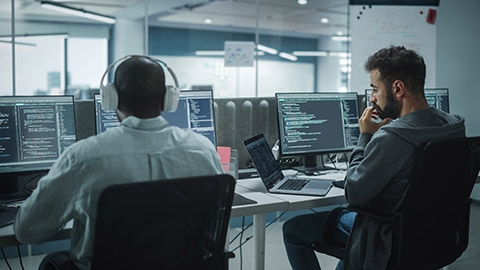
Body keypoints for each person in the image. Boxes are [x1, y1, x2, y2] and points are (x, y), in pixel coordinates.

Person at [14, 56, 223, 270]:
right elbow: (211, 217)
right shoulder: (203, 150)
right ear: (168, 99)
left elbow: (27, 231)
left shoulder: (83, 157)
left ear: (111, 98)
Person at [283, 46, 465, 270]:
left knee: (293, 229)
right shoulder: (453, 125)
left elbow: (354, 194)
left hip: (387, 235)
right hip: (435, 233)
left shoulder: (393, 136)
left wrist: (366, 135)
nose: (371, 98)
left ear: (398, 88)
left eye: (375, 89)